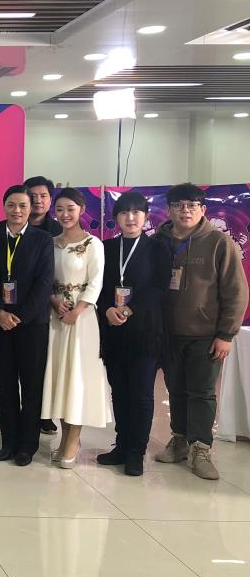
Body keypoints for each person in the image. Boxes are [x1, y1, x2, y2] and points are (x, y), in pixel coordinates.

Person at [154, 183, 249, 480]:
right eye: (178, 205)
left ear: (203, 209)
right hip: (168, 333)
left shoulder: (219, 242)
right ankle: (180, 439)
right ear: (168, 209)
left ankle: (201, 448)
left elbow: (236, 291)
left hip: (205, 334)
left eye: (192, 205)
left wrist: (226, 334)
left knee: (202, 392)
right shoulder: (158, 241)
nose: (185, 210)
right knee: (176, 389)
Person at [96, 191, 170, 477]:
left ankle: (136, 452)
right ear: (116, 218)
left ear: (146, 216)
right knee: (119, 392)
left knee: (140, 394)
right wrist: (107, 309)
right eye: (124, 212)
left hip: (144, 331)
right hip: (113, 331)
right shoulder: (106, 248)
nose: (130, 218)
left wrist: (129, 309)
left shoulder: (157, 248)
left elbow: (159, 287)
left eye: (136, 212)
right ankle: (122, 445)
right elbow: (99, 287)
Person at [41, 187, 111, 468]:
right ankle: (64, 435)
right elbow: (43, 278)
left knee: (78, 377)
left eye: (70, 208)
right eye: (59, 209)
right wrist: (54, 301)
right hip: (55, 317)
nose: (64, 214)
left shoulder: (94, 244)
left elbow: (96, 282)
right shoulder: (49, 243)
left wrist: (78, 311)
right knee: (59, 375)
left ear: (81, 210)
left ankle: (74, 438)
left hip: (82, 320)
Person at [0, 186, 53, 466]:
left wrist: (21, 316)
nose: (17, 211)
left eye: (23, 206)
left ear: (31, 208)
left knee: (31, 386)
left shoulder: (43, 240)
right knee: (5, 385)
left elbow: (44, 283)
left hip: (32, 325)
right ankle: (8, 442)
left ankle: (27, 445)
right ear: (4, 206)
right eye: (12, 205)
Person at [24, 175, 63, 435]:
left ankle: (44, 415)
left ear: (50, 200)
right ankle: (7, 412)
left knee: (45, 364)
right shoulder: (12, 226)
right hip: (21, 307)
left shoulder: (60, 231)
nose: (38, 200)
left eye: (43, 196)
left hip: (54, 307)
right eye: (32, 196)